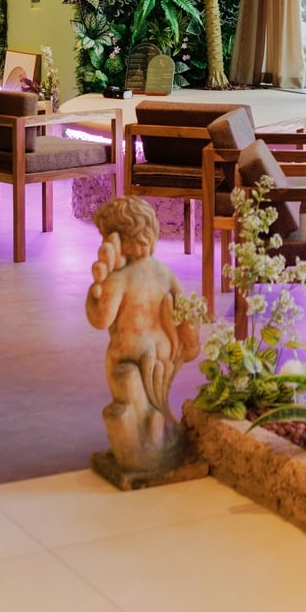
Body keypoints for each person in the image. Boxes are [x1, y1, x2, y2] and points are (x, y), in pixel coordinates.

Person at [86, 196, 200, 474]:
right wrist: (189, 343)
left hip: (128, 353)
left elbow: (101, 319)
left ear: (117, 238)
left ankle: (142, 442)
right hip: (163, 352)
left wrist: (93, 294)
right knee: (157, 396)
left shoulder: (120, 278)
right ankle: (160, 424)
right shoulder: (164, 272)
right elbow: (185, 311)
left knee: (130, 399)